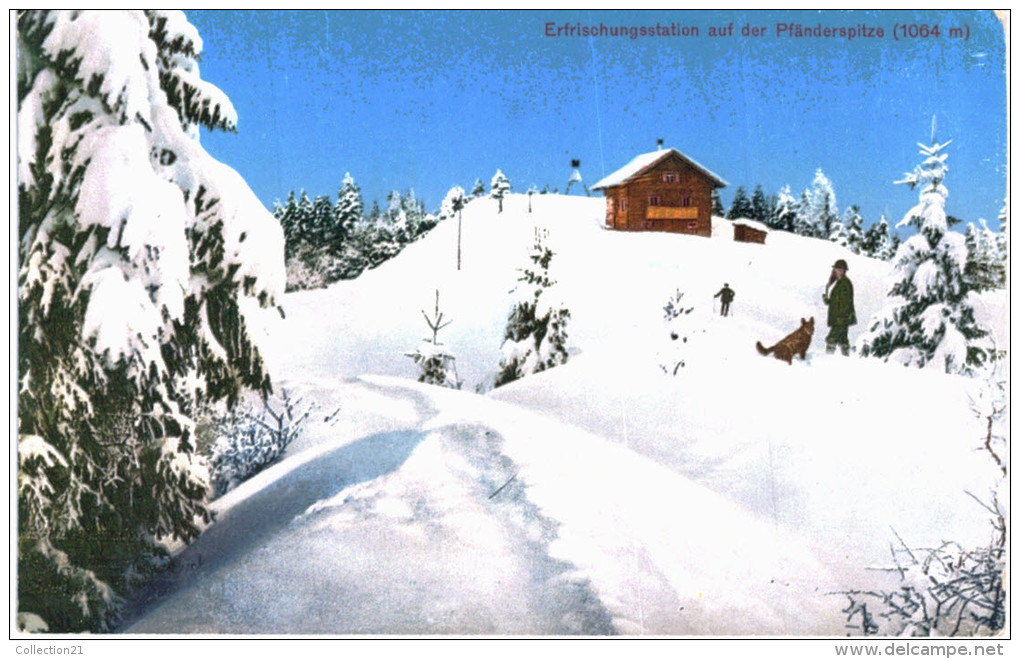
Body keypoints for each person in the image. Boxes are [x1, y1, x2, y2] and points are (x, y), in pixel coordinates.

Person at [822, 259, 856, 355]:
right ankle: (847, 360)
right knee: (843, 341)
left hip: (841, 319)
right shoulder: (840, 282)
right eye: (836, 269)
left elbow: (845, 303)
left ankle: (827, 359)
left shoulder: (845, 283)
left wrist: (840, 318)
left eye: (839, 270)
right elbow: (837, 301)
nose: (837, 271)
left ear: (843, 271)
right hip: (841, 318)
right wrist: (828, 301)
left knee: (831, 340)